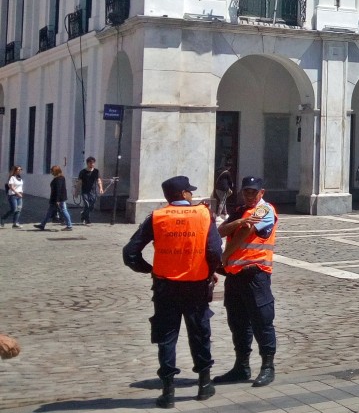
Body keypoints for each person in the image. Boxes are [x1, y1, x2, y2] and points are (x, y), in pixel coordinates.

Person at [123, 176, 223, 408]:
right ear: (183, 194)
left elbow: (129, 253)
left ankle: (167, 392)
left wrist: (150, 269)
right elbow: (214, 251)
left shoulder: (157, 217)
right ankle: (204, 385)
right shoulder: (203, 215)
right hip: (196, 285)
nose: (192, 195)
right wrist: (209, 272)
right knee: (199, 332)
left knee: (166, 336)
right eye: (190, 191)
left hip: (165, 286)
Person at [214, 176, 278, 388]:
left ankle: (268, 367)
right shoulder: (240, 210)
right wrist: (237, 221)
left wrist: (223, 257)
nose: (250, 195)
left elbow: (244, 232)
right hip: (234, 276)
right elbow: (218, 232)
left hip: (255, 274)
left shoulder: (264, 210)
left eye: (254, 192)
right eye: (247, 191)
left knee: (262, 320)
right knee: (238, 323)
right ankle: (241, 366)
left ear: (262, 192)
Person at [35, 165, 73, 231]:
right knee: (49, 212)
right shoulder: (60, 178)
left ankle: (69, 225)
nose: (51, 172)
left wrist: (57, 200)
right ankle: (42, 225)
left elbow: (58, 190)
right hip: (56, 198)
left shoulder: (59, 179)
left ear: (56, 171)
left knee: (64, 210)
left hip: (58, 199)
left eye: (52, 171)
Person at [77, 156, 103, 225]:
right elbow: (79, 182)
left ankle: (83, 214)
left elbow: (98, 180)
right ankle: (86, 219)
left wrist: (100, 188)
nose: (92, 164)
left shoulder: (96, 171)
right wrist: (76, 191)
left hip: (93, 192)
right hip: (85, 191)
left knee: (91, 206)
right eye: (91, 163)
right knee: (87, 205)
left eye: (93, 163)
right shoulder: (82, 172)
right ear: (87, 163)